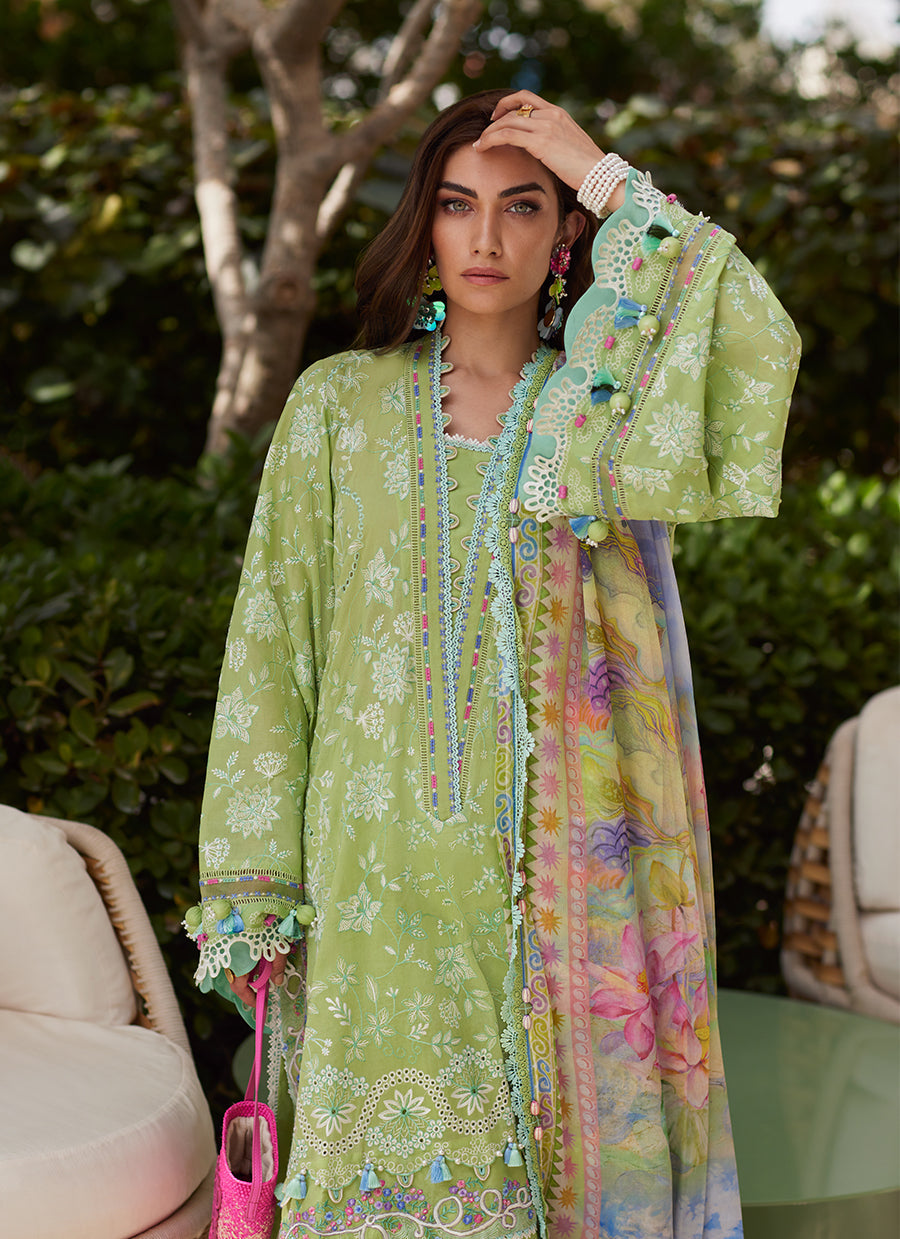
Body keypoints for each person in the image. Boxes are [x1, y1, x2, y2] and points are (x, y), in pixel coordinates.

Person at [185, 88, 800, 1239]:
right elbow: (271, 644)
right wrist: (253, 881)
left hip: (554, 889)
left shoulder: (600, 421)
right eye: (458, 204)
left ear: (565, 237)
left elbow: (753, 338)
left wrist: (600, 170)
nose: (486, 237)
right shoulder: (337, 406)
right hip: (366, 883)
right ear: (424, 224)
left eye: (524, 207)